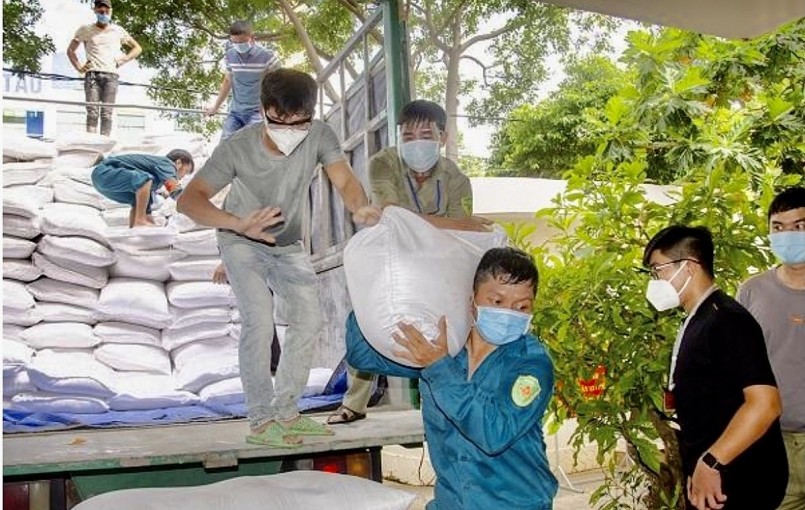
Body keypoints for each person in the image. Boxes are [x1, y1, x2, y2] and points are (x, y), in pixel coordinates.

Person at [177, 68, 381, 447]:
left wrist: (360, 207)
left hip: (287, 244)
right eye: (279, 120)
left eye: (300, 121)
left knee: (309, 320)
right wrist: (238, 223)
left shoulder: (319, 134)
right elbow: (189, 201)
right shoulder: (237, 147)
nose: (290, 130)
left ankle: (287, 412)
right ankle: (260, 421)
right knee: (259, 321)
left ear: (311, 114)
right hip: (240, 240)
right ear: (263, 110)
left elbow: (344, 179)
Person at [346, 247, 558, 510]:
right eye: (497, 301)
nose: (509, 314)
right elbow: (362, 354)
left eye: (522, 307)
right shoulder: (443, 346)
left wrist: (438, 367)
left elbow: (494, 433)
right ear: (471, 300)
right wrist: (375, 289)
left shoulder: (531, 363)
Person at [327, 99, 490, 425]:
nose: (416, 143)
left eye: (426, 135)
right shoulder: (383, 164)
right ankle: (354, 402)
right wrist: (452, 224)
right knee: (365, 320)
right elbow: (392, 215)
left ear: (442, 138)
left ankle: (442, 405)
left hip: (437, 262)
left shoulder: (456, 179)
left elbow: (460, 236)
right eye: (408, 136)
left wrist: (434, 224)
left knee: (447, 328)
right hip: (392, 259)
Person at [642, 225, 788, 510]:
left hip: (741, 479)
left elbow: (765, 404)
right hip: (715, 477)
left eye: (658, 269)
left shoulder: (727, 320)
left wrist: (711, 462)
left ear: (689, 266)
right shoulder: (700, 318)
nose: (655, 280)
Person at [736, 187, 805, 510]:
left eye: (799, 226)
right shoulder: (751, 292)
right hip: (769, 442)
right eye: (778, 227)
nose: (788, 235)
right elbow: (734, 368)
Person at [67, 0, 142, 136]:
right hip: (92, 75)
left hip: (111, 76)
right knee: (92, 112)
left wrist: (123, 60)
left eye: (107, 11)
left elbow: (137, 48)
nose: (104, 14)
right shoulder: (85, 29)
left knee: (107, 113)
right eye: (101, 11)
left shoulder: (118, 30)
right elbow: (71, 50)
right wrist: (79, 67)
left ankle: (105, 142)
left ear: (111, 11)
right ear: (95, 11)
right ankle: (91, 142)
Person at [205, 20, 282, 139]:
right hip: (235, 111)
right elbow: (227, 82)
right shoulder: (230, 56)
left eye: (242, 42)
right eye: (234, 42)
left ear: (252, 38)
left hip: (257, 113)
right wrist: (215, 107)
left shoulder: (267, 57)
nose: (238, 46)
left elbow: (279, 85)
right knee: (225, 144)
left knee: (251, 144)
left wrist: (271, 110)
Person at [91, 150, 194, 228]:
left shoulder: (155, 180)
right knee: (145, 179)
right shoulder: (167, 164)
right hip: (104, 172)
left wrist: (155, 227)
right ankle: (140, 220)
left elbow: (146, 206)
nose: (183, 177)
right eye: (185, 171)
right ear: (178, 163)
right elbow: (174, 188)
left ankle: (134, 228)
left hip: (103, 182)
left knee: (139, 197)